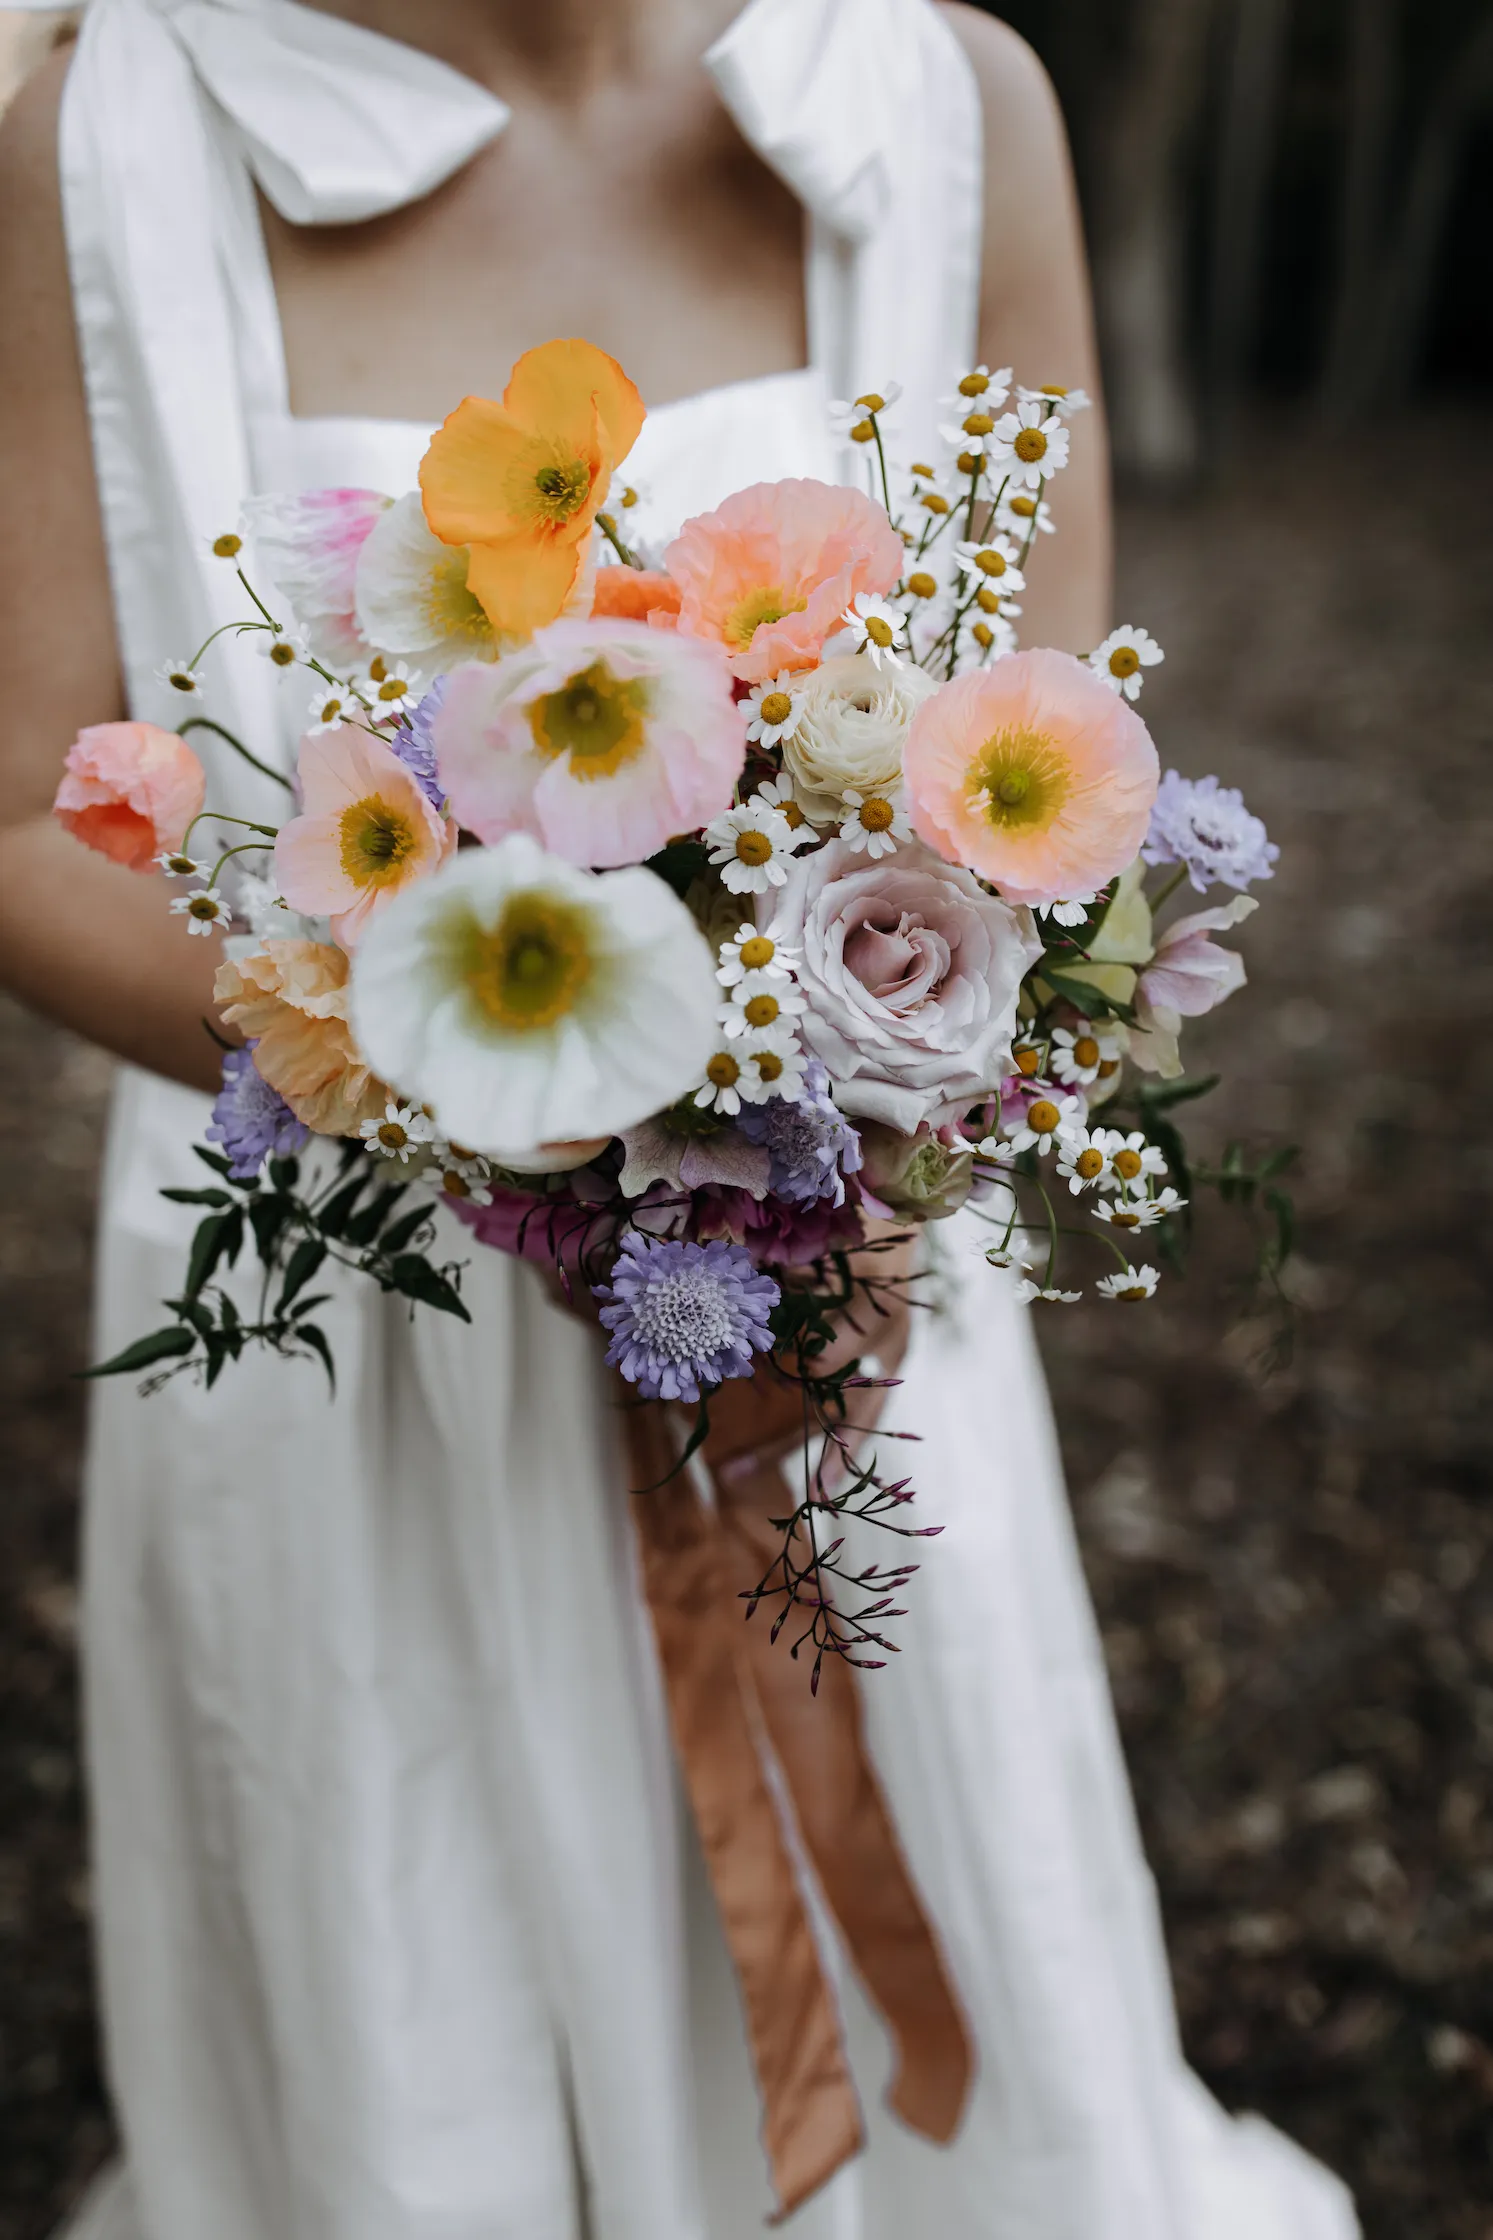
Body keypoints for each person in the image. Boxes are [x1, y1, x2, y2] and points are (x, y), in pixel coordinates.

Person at [0, 3, 1358, 2235]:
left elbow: (1044, 737)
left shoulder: (936, 108)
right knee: (406, 1982)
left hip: (838, 1334)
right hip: (361, 1338)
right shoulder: (104, 141)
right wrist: (513, 1098)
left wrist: (857, 1109)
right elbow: (22, 814)